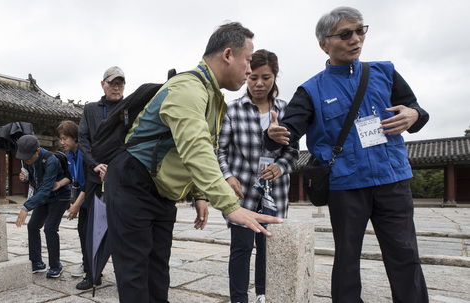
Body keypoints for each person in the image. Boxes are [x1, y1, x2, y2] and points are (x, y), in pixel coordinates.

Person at [104, 22, 283, 302]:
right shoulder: (189, 89)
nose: (249, 70)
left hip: (161, 190)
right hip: (133, 181)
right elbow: (195, 148)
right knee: (135, 274)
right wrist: (230, 206)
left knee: (158, 271)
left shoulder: (213, 96)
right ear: (227, 55)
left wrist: (199, 194)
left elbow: (206, 146)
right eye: (247, 60)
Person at [266, 7, 429, 303]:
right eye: (345, 34)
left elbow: (417, 110)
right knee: (347, 258)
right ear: (324, 44)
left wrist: (413, 114)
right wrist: (273, 134)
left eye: (360, 30)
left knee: (405, 255)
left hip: (393, 179)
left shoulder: (385, 72)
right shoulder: (311, 89)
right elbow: (288, 130)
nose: (355, 39)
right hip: (346, 184)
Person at [217, 49, 298, 303]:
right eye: (253, 77)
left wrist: (281, 167)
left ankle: (264, 294)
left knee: (268, 249)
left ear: (275, 76)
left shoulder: (287, 110)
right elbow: (219, 150)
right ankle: (239, 298)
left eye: (266, 77)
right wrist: (228, 176)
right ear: (247, 76)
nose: (259, 83)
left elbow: (294, 151)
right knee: (240, 248)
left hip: (275, 192)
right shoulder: (233, 110)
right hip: (242, 192)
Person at [77, 66, 125, 290]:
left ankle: (124, 274)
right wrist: (95, 165)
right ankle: (92, 273)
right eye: (112, 83)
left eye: (120, 83)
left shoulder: (130, 108)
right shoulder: (90, 110)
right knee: (92, 228)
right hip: (95, 179)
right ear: (103, 84)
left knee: (123, 229)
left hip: (122, 180)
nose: (116, 87)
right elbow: (83, 139)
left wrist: (116, 169)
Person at [15, 134, 71, 278]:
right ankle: (37, 262)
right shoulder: (26, 158)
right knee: (33, 226)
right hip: (43, 196)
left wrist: (26, 207)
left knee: (50, 228)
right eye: (24, 158)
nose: (26, 160)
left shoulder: (51, 161)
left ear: (37, 151)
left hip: (59, 197)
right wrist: (24, 179)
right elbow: (34, 182)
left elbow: (46, 189)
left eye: (29, 157)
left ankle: (55, 265)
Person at [56, 121, 87, 280]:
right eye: (61, 139)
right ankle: (87, 264)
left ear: (75, 137)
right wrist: (59, 184)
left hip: (93, 198)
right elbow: (71, 177)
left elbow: (88, 183)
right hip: (83, 200)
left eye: (65, 138)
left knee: (91, 234)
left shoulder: (84, 153)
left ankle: (93, 268)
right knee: (83, 232)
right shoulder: (69, 153)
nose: (62, 142)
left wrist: (75, 205)